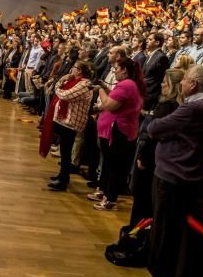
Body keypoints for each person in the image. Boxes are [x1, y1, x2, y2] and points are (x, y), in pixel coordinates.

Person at [136, 64, 203, 277]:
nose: (181, 84)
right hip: (183, 174)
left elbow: (155, 128)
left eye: (184, 80)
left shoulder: (194, 108)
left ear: (193, 84)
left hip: (175, 176)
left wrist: (165, 131)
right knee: (167, 229)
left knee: (166, 232)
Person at [87, 56, 145, 210]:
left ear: (124, 70)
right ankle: (104, 191)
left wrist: (100, 91)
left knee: (115, 167)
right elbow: (115, 99)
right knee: (109, 164)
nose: (114, 71)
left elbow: (110, 105)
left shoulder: (127, 85)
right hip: (116, 130)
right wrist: (106, 90)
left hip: (118, 131)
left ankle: (110, 199)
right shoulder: (128, 84)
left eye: (116, 69)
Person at [129, 68, 184, 225]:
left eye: (165, 82)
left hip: (151, 157)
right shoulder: (173, 106)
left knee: (142, 197)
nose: (161, 84)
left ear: (172, 86)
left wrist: (143, 157)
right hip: (156, 157)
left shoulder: (167, 106)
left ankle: (135, 233)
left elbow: (154, 136)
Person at [45, 61, 94, 191]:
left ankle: (63, 180)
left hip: (72, 122)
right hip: (66, 119)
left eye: (75, 68)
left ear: (80, 71)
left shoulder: (84, 84)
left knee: (66, 152)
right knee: (64, 151)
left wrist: (58, 85)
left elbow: (65, 95)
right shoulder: (76, 81)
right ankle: (62, 176)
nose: (71, 70)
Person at [141, 32, 170, 110]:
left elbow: (160, 79)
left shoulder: (162, 57)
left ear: (157, 42)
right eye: (147, 39)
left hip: (150, 96)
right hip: (143, 93)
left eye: (150, 39)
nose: (147, 41)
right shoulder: (150, 55)